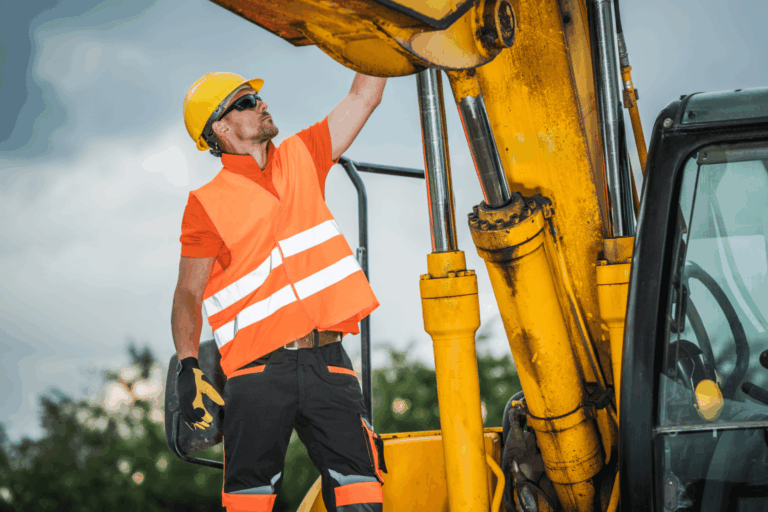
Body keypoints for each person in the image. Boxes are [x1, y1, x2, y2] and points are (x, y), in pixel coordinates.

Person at [172, 71, 387, 512]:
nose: (262, 104)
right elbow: (188, 294)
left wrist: (382, 30)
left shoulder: (303, 155)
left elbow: (364, 96)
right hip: (257, 373)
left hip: (330, 362)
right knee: (250, 500)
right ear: (221, 128)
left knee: (362, 490)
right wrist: (188, 366)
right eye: (246, 102)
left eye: (258, 97)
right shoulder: (206, 203)